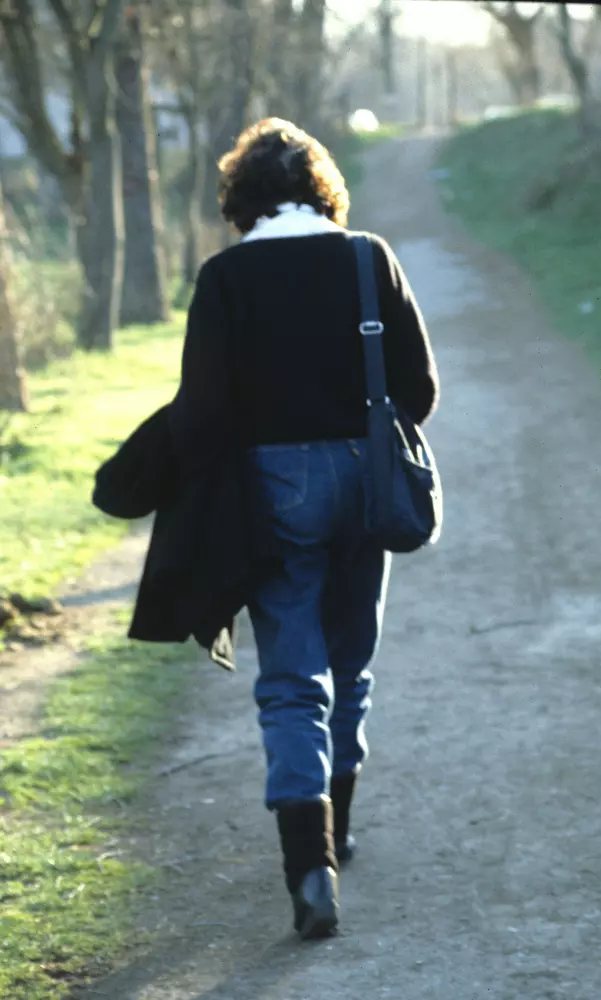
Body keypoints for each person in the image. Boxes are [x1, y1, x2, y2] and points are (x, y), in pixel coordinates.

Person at [172, 118, 439, 940]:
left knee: (291, 680)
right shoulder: (368, 257)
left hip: (272, 489)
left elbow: (203, 411)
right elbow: (419, 389)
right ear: (323, 189)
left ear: (241, 199)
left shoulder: (224, 279)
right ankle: (342, 827)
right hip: (365, 481)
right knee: (350, 664)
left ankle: (310, 871)